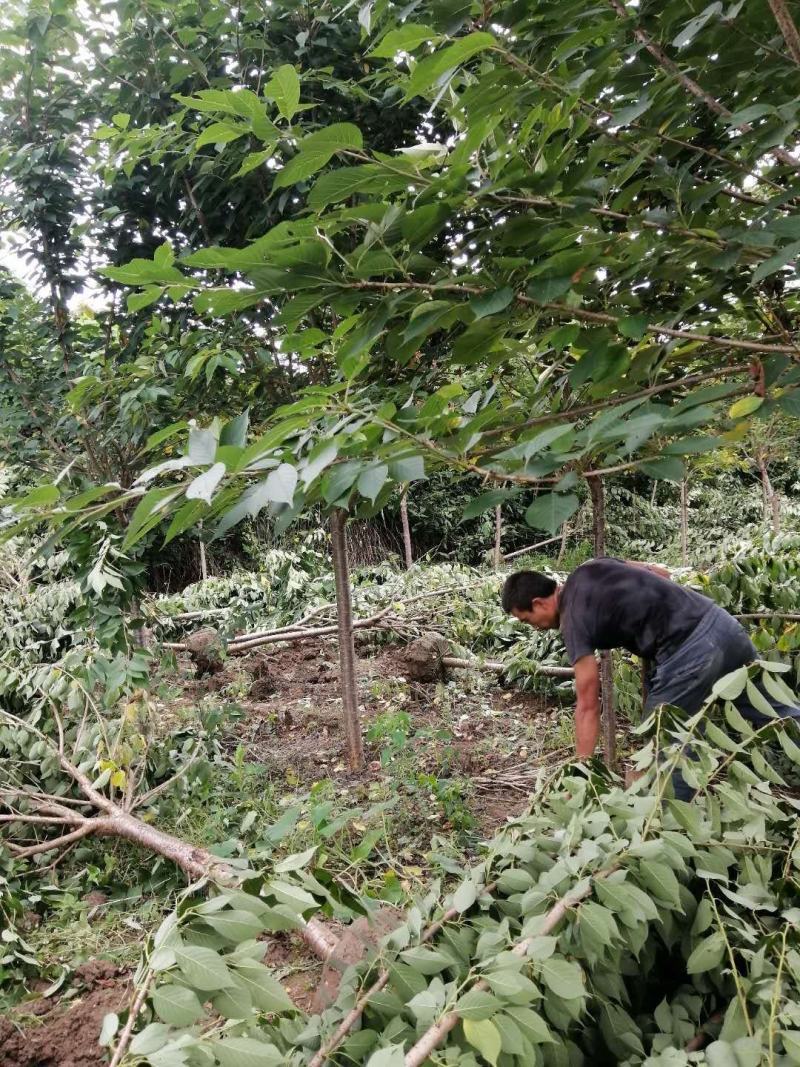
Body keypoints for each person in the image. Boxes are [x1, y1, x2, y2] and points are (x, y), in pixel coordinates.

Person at [501, 558, 800, 794]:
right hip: (723, 626)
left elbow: (588, 704)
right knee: (778, 713)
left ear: (539, 603)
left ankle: (668, 831)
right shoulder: (591, 567)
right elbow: (661, 573)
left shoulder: (572, 620)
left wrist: (582, 769)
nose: (535, 627)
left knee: (665, 749)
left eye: (528, 620)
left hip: (691, 654)